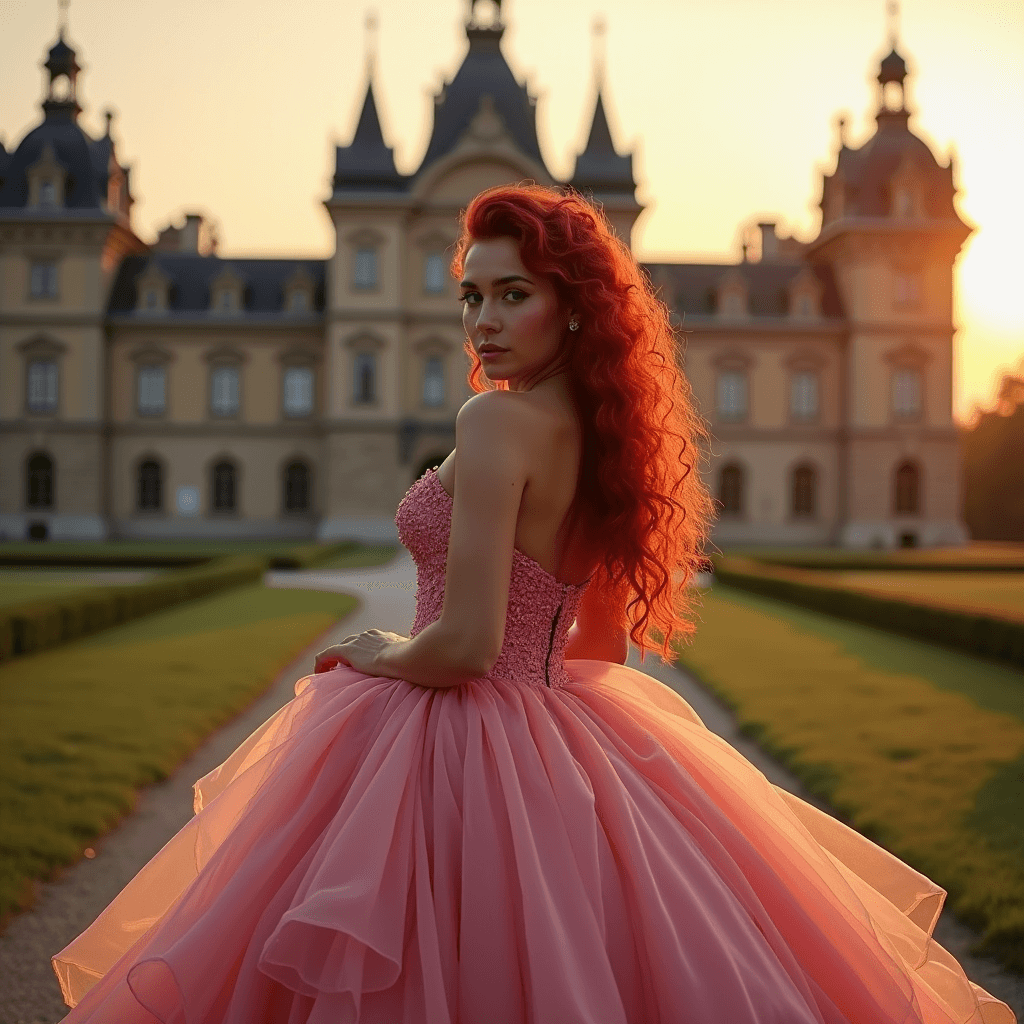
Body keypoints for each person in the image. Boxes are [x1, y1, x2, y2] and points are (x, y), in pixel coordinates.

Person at [52, 183, 1014, 1024]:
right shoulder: (602, 436)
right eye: (472, 294)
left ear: (575, 304)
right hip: (561, 726)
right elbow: (597, 644)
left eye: (515, 293)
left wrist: (378, 649)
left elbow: (463, 646)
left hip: (449, 733)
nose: (484, 320)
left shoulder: (494, 418)